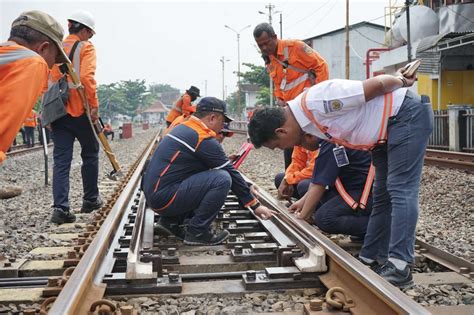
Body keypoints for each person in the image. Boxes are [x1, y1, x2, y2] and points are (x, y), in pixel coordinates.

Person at [248, 70, 433, 288]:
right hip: (383, 133)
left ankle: (400, 266)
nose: (284, 148)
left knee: (400, 189)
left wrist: (402, 80)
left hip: (404, 116)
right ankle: (372, 256)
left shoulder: (319, 101)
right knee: (383, 194)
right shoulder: (307, 121)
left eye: (278, 145)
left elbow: (377, 84)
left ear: (281, 131)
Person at [143, 97, 276, 246]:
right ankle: (197, 232)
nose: (223, 126)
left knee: (207, 174)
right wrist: (255, 205)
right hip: (165, 198)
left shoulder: (185, 128)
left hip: (157, 195)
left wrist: (246, 185)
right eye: (223, 121)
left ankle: (170, 222)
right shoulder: (202, 137)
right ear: (212, 118)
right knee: (222, 179)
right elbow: (228, 172)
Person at [49, 10, 102, 224]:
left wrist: (48, 114)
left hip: (58, 113)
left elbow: (46, 83)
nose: (90, 37)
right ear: (86, 30)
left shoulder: (54, 49)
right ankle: (90, 199)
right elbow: (87, 79)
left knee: (61, 161)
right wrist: (94, 107)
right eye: (90, 33)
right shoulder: (86, 47)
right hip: (80, 111)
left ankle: (60, 208)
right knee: (90, 154)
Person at [253, 22, 329, 169]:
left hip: (306, 108)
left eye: (266, 43)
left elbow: (321, 66)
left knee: (313, 145)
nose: (263, 48)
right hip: (290, 111)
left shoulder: (296, 48)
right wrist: (280, 100)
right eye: (259, 45)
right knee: (288, 146)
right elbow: (278, 83)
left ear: (274, 37)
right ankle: (292, 181)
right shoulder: (270, 60)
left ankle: (314, 180)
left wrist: (317, 94)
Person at [0, 10, 67, 165]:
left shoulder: (7, 56)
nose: (52, 66)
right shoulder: (33, 62)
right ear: (43, 48)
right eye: (55, 57)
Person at [288, 140, 373, 240]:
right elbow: (321, 178)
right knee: (305, 187)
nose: (303, 148)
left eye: (301, 143)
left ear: (309, 136)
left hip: (366, 193)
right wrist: (302, 202)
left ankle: (382, 226)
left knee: (325, 219)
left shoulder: (331, 142)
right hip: (349, 190)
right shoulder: (332, 139)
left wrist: (303, 216)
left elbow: (320, 184)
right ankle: (358, 225)